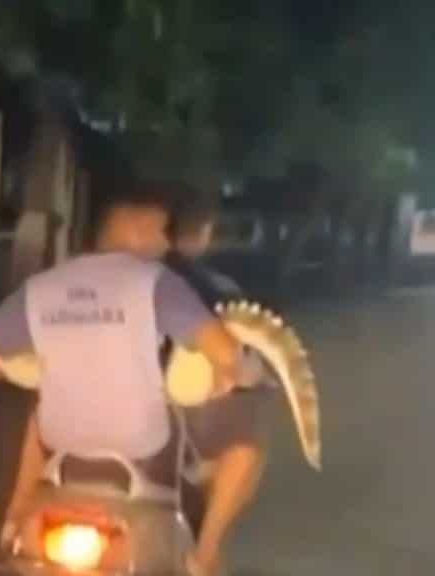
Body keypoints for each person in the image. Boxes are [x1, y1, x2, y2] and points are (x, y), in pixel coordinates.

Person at [0, 178, 247, 576]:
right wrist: (226, 376)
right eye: (160, 232)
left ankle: (15, 518)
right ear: (136, 228)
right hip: (145, 459)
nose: (164, 245)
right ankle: (205, 554)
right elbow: (227, 353)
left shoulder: (40, 288)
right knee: (247, 438)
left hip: (64, 456)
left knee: (41, 409)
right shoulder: (157, 284)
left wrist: (21, 373)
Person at [162, 187, 277, 574]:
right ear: (205, 231)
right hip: (173, 423)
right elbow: (238, 361)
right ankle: (205, 551)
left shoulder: (120, 279)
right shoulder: (217, 291)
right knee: (245, 452)